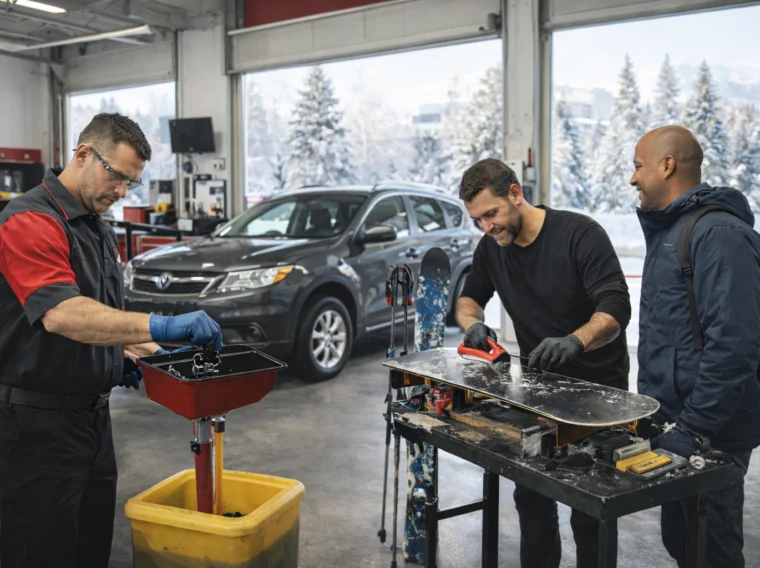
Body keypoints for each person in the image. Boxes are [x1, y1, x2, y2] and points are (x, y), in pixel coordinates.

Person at [0, 113, 223, 568]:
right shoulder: (28, 220)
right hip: (34, 429)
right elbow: (64, 315)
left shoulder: (98, 230)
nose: (123, 193)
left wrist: (154, 355)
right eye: (117, 177)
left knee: (90, 546)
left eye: (132, 183)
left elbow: (106, 321)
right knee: (39, 551)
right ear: (83, 154)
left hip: (93, 425)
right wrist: (160, 325)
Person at [456, 158, 631, 568]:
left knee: (591, 508)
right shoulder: (491, 248)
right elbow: (468, 300)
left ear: (515, 194)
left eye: (492, 214)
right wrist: (472, 326)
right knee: (532, 498)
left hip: (598, 392)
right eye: (477, 219)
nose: (487, 227)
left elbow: (617, 307)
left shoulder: (579, 234)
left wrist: (577, 340)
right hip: (537, 390)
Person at [631, 125, 760, 568]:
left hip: (711, 430)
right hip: (676, 423)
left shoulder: (719, 235)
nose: (633, 178)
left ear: (667, 166)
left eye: (638, 166)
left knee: (712, 550)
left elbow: (735, 343)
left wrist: (696, 427)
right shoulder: (671, 232)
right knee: (682, 541)